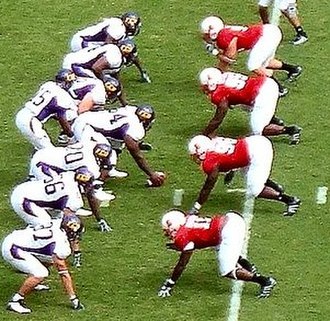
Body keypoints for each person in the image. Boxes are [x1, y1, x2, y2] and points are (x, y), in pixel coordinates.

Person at [158, 209, 276, 298]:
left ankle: (265, 281)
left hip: (228, 231)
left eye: (169, 229)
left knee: (226, 270)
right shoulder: (188, 219)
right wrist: (182, 246)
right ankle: (248, 266)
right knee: (220, 247)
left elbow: (182, 263)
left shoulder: (182, 235)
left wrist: (171, 282)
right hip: (232, 219)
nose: (168, 233)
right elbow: (202, 239)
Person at [187, 134, 301, 216]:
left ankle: (290, 201)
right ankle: (275, 187)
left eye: (195, 155)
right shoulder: (215, 141)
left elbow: (208, 185)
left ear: (200, 152)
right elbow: (229, 156)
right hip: (254, 142)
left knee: (255, 190)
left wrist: (197, 206)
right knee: (248, 175)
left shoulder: (209, 161)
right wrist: (231, 170)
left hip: (256, 153)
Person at [200, 16, 302, 96]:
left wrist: (217, 55)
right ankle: (293, 69)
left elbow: (231, 58)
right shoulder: (224, 30)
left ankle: (280, 89)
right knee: (265, 63)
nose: (205, 36)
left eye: (206, 34)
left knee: (253, 65)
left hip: (265, 36)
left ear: (213, 33)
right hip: (269, 32)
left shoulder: (223, 37)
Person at [2, 215, 84, 314]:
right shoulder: (60, 244)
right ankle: (15, 301)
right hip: (14, 248)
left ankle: (34, 283)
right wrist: (73, 298)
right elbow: (64, 274)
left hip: (18, 238)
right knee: (41, 273)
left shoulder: (56, 222)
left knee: (50, 259)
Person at [199, 67, 301, 144]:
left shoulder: (218, 92)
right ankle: (273, 119)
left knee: (257, 130)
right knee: (244, 105)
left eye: (205, 85)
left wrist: (205, 133)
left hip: (262, 95)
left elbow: (218, 118)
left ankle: (291, 130)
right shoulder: (226, 75)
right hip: (266, 83)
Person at [72, 105, 165, 186]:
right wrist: (151, 174)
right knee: (105, 154)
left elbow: (121, 132)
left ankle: (108, 170)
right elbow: (135, 152)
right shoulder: (136, 127)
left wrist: (137, 144)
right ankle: (93, 185)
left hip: (89, 120)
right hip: (86, 127)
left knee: (117, 145)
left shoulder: (132, 110)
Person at [10, 167, 112, 233]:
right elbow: (68, 218)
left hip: (27, 188)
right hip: (24, 199)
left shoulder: (70, 175)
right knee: (47, 227)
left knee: (57, 221)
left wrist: (100, 219)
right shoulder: (74, 198)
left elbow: (89, 196)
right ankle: (23, 240)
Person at [28, 141, 115, 202]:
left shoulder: (88, 145)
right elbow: (88, 179)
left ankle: (33, 178)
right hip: (45, 165)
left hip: (46, 153)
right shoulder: (92, 166)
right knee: (56, 190)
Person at [15, 76, 77, 150]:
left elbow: (48, 106)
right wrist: (71, 135)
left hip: (23, 113)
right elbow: (62, 120)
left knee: (40, 147)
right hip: (31, 121)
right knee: (49, 151)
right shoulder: (63, 96)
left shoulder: (48, 84)